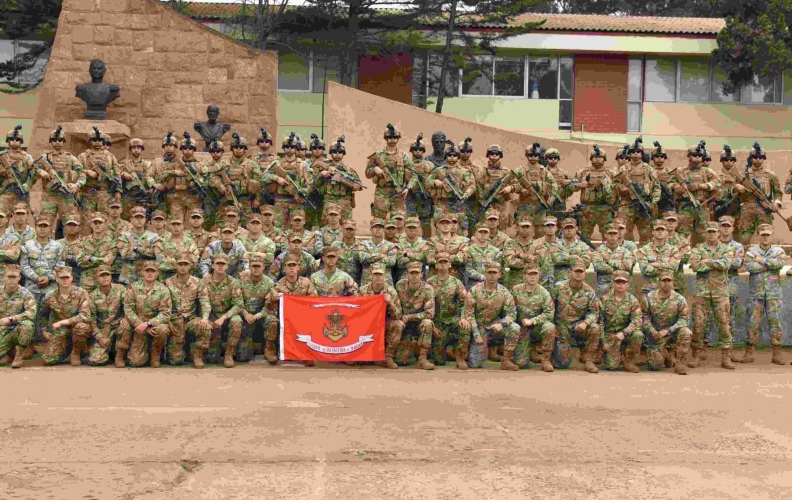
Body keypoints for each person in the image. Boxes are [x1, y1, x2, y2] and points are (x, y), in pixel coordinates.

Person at [688, 221, 736, 370]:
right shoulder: (698, 248)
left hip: (720, 293)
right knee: (699, 325)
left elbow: (726, 264)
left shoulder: (727, 248)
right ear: (705, 233)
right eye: (709, 231)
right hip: (702, 293)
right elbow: (695, 266)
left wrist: (708, 261)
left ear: (719, 233)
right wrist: (715, 263)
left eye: (714, 232)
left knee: (724, 325)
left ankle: (726, 357)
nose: (711, 234)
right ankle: (696, 355)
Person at [743, 224, 786, 365]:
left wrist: (761, 261)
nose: (766, 237)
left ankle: (777, 353)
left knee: (775, 323)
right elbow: (749, 267)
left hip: (773, 294)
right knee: (752, 323)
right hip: (757, 294)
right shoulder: (751, 251)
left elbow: (779, 264)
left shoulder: (778, 250)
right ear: (759, 235)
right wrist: (769, 265)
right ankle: (749, 353)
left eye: (768, 234)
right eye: (763, 235)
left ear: (772, 235)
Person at [116, 260, 172, 368]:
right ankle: (120, 354)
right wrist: (140, 324)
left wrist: (148, 324)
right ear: (142, 272)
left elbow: (165, 313)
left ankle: (155, 353)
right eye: (147, 271)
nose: (150, 273)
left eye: (153, 271)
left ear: (157, 273)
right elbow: (128, 309)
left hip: (153, 325)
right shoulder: (133, 288)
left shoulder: (163, 290)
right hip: (137, 326)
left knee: (163, 329)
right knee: (135, 362)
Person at [193, 253, 245, 368]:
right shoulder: (204, 281)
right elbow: (204, 300)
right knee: (212, 358)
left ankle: (229, 354)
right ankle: (199, 355)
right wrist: (205, 317)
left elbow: (238, 304)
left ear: (227, 266)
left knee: (237, 321)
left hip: (227, 314)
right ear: (212, 265)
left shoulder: (233, 282)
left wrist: (223, 317)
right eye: (218, 264)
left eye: (223, 264)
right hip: (211, 313)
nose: (220, 266)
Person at [465, 261, 519, 370]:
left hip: (496, 326)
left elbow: (512, 313)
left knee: (515, 328)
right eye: (489, 272)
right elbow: (469, 314)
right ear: (485, 273)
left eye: (494, 272)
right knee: (475, 364)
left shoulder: (504, 292)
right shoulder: (474, 290)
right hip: (480, 327)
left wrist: (502, 324)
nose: (492, 275)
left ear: (499, 275)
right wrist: (476, 334)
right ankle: (480, 350)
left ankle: (506, 361)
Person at [551, 256, 600, 373]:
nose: (578, 274)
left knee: (594, 328)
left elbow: (594, 312)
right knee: (562, 364)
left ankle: (588, 360)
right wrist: (554, 326)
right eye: (576, 271)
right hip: (561, 326)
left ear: (585, 274)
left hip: (578, 325)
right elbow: (550, 308)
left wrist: (586, 322)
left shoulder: (589, 291)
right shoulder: (558, 287)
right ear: (570, 272)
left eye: (581, 272)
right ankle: (554, 353)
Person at [32, 126, 85, 234]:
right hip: (49, 196)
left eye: (60, 140)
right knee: (44, 224)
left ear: (63, 142)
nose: (57, 142)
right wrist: (40, 172)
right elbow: (32, 168)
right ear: (51, 142)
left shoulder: (71, 158)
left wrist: (76, 185)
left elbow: (82, 174)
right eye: (54, 140)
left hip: (65, 198)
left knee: (71, 226)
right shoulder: (45, 157)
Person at [426, 251, 472, 369]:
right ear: (436, 265)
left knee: (465, 326)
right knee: (439, 361)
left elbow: (464, 303)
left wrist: (462, 318)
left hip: (452, 319)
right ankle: (445, 351)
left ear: (450, 265)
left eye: (445, 262)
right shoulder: (429, 283)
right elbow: (424, 305)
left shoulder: (456, 283)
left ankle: (460, 356)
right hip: (438, 322)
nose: (442, 265)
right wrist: (432, 325)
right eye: (440, 262)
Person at [730, 143, 782, 246]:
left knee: (766, 239)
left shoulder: (771, 175)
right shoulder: (743, 175)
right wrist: (737, 187)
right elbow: (731, 190)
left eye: (760, 157)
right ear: (751, 158)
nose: (758, 159)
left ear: (764, 159)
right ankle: (744, 260)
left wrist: (776, 203)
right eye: (755, 157)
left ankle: (765, 260)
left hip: (765, 210)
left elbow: (778, 193)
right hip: (747, 209)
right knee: (744, 239)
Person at [642, 269, 692, 374]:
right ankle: (666, 355)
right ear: (658, 282)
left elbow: (684, 319)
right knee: (655, 366)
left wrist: (668, 330)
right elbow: (643, 316)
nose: (666, 283)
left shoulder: (680, 299)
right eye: (664, 280)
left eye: (669, 281)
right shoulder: (649, 297)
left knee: (686, 332)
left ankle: (679, 363)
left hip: (672, 334)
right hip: (655, 335)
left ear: (673, 282)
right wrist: (651, 330)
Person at [39, 266, 92, 366]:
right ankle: (67, 349)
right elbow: (43, 314)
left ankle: (76, 352)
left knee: (82, 327)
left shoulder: (81, 293)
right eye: (62, 278)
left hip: (78, 329)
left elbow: (85, 315)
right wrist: (44, 330)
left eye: (67, 277)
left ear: (71, 277)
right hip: (61, 331)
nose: (65, 280)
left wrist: (61, 322)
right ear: (56, 279)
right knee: (48, 360)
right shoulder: (50, 296)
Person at [671, 141, 721, 245]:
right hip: (685, 206)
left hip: (702, 206)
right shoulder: (681, 170)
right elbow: (669, 182)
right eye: (695, 155)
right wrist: (676, 186)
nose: (697, 157)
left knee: (702, 234)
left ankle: (698, 257)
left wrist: (701, 186)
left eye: (700, 155)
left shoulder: (707, 171)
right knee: (682, 234)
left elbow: (718, 182)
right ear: (689, 156)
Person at [274, 254, 318, 367]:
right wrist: (273, 299)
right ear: (284, 269)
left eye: (294, 265)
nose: (292, 268)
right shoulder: (279, 285)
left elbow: (314, 298)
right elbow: (270, 303)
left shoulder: (306, 282)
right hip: (286, 317)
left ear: (298, 268)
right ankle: (283, 352)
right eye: (289, 266)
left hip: (304, 315)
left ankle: (307, 354)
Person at [613, 138, 659, 245]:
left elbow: (656, 187)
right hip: (627, 205)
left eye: (638, 152)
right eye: (633, 152)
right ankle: (629, 254)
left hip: (645, 205)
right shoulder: (623, 169)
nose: (635, 154)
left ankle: (644, 256)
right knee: (624, 232)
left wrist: (653, 203)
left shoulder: (649, 169)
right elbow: (614, 184)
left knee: (646, 234)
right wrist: (621, 188)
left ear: (642, 154)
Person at [511, 262, 556, 372]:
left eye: (535, 274)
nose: (532, 277)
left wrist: (533, 321)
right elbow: (509, 309)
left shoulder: (544, 293)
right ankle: (527, 351)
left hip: (537, 327)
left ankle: (545, 360)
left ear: (539, 276)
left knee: (549, 327)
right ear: (524, 276)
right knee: (521, 363)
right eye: (530, 274)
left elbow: (549, 313)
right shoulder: (516, 290)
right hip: (522, 329)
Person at [163, 251, 205, 367]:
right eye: (180, 264)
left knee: (204, 326)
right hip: (174, 320)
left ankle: (198, 356)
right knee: (176, 361)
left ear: (190, 265)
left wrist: (205, 318)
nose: (182, 267)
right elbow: (163, 304)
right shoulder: (168, 282)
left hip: (191, 318)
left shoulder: (198, 282)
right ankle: (172, 353)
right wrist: (167, 320)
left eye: (185, 264)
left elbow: (204, 301)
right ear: (175, 265)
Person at [359, 263, 403, 369]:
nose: (378, 277)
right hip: (367, 323)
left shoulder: (391, 291)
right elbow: (356, 313)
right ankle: (359, 354)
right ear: (371, 276)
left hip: (384, 323)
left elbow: (398, 315)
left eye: (380, 274)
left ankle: (388, 357)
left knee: (398, 324)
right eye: (375, 274)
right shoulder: (362, 291)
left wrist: (391, 303)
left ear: (385, 276)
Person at [366, 124, 415, 219]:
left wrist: (408, 188)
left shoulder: (404, 156)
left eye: (395, 137)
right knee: (378, 222)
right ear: (386, 138)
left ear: (398, 139)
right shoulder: (378, 155)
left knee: (398, 222)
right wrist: (374, 169)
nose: (392, 140)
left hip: (398, 193)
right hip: (382, 192)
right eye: (390, 137)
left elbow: (414, 175)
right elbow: (367, 174)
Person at [598, 270, 643, 372]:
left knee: (638, 334)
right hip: (611, 336)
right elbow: (600, 322)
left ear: (628, 285)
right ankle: (611, 355)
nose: (620, 285)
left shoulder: (633, 300)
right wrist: (603, 342)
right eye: (618, 282)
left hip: (626, 334)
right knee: (612, 367)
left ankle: (628, 361)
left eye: (623, 282)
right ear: (613, 283)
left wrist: (625, 332)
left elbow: (637, 320)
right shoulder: (604, 299)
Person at [395, 261, 437, 370]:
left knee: (428, 323)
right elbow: (396, 305)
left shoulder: (428, 289)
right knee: (401, 360)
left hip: (419, 323)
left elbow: (429, 313)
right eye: (411, 273)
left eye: (417, 273)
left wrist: (409, 317)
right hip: (404, 324)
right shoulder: (400, 285)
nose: (414, 276)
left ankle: (422, 359)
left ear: (422, 274)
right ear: (407, 274)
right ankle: (409, 349)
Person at [78, 126, 122, 230]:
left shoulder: (110, 157)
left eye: (100, 140)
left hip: (105, 193)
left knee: (105, 221)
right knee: (87, 222)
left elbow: (117, 174)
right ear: (90, 141)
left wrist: (118, 191)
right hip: (88, 193)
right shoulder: (83, 156)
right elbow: (76, 171)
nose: (97, 142)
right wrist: (87, 171)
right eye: (94, 140)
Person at [511, 142, 557, 238]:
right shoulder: (521, 170)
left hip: (540, 205)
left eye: (535, 155)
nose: (533, 157)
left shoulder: (543, 171)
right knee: (522, 231)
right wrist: (521, 189)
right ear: (527, 156)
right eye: (530, 155)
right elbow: (513, 181)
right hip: (525, 206)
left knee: (540, 232)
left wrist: (552, 197)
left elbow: (553, 184)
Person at [238, 254, 278, 363]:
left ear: (263, 267)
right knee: (243, 357)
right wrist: (245, 314)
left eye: (258, 266)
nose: (256, 268)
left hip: (260, 316)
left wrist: (260, 314)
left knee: (273, 321)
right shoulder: (241, 280)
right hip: (245, 315)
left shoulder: (269, 283)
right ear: (249, 267)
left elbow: (271, 305)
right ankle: (249, 346)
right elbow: (237, 300)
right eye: (253, 266)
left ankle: (268, 349)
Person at [267, 133, 312, 229]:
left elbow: (310, 184)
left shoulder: (303, 164)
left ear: (296, 148)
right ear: (283, 148)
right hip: (280, 200)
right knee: (279, 229)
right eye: (287, 146)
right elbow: (263, 177)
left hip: (296, 201)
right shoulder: (277, 163)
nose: (290, 149)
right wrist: (277, 178)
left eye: (292, 146)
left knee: (297, 230)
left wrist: (301, 192)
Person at [573, 144, 617, 241]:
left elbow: (617, 190)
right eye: (595, 157)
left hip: (605, 209)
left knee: (608, 236)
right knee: (585, 237)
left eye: (600, 157)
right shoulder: (582, 172)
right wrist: (580, 185)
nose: (597, 159)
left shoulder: (611, 173)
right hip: (587, 209)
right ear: (591, 158)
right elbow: (572, 188)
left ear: (604, 158)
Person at [86, 265, 125, 366]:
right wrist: (100, 338)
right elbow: (92, 321)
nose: (105, 278)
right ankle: (110, 351)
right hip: (103, 330)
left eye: (107, 275)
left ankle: (120, 354)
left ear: (111, 277)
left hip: (118, 329)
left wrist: (124, 320)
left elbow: (129, 309)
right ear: (96, 279)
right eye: (101, 276)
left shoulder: (121, 289)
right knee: (96, 360)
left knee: (125, 324)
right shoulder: (92, 296)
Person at [0, 264, 37, 368]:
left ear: (19, 278)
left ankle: (19, 354)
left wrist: (11, 319)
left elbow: (31, 313)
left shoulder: (25, 293)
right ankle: (8, 353)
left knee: (27, 325)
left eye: (14, 277)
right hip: (2, 330)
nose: (12, 280)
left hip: (17, 330)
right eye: (9, 277)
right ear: (3, 277)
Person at [473, 144, 515, 231]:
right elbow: (478, 186)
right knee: (484, 230)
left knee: (501, 230)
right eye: (492, 153)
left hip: (501, 205)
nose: (494, 155)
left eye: (497, 153)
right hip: (486, 205)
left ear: (500, 155)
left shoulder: (506, 172)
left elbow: (516, 184)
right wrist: (483, 199)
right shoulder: (483, 171)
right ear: (488, 155)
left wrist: (510, 188)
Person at [117, 206, 161, 285]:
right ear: (131, 220)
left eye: (141, 217)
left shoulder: (154, 236)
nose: (139, 220)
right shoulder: (124, 236)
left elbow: (155, 254)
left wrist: (136, 248)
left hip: (148, 277)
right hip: (129, 278)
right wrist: (146, 252)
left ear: (145, 220)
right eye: (136, 217)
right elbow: (126, 255)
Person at [592, 222, 636, 298]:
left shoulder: (626, 251)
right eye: (610, 233)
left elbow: (628, 266)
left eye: (615, 233)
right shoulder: (598, 251)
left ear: (618, 235)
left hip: (622, 286)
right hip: (604, 288)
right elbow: (598, 266)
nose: (612, 236)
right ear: (605, 235)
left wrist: (609, 261)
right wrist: (619, 269)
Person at [76, 211, 116, 293]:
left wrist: (90, 258)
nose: (97, 225)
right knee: (85, 304)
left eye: (100, 222)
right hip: (87, 281)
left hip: (104, 280)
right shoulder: (83, 241)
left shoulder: (111, 242)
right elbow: (80, 261)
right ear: (91, 224)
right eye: (95, 222)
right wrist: (101, 260)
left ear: (105, 224)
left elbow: (109, 261)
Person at [0, 125, 35, 216]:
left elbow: (32, 173)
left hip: (21, 193)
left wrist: (26, 186)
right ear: (8, 141)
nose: (14, 141)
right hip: (5, 193)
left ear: (21, 142)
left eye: (17, 139)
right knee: (1, 218)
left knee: (21, 220)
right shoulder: (2, 156)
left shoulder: (27, 157)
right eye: (12, 139)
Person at [356, 218, 398, 286]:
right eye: (375, 227)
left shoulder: (390, 245)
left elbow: (392, 261)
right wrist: (381, 255)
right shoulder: (363, 244)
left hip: (385, 282)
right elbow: (362, 258)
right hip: (367, 282)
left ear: (383, 229)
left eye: (380, 227)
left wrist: (370, 258)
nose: (378, 229)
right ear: (371, 229)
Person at [118, 138, 152, 220]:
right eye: (134, 148)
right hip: (128, 196)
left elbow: (152, 178)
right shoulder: (124, 164)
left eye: (138, 148)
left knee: (142, 220)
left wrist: (151, 189)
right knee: (126, 219)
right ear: (130, 150)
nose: (136, 150)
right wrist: (123, 174)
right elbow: (115, 176)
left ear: (142, 150)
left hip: (142, 196)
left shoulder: (148, 165)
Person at [553, 218, 592, 285]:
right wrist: (575, 258)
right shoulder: (555, 245)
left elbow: (586, 262)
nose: (569, 230)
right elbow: (556, 259)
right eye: (566, 228)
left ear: (576, 229)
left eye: (571, 228)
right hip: (560, 283)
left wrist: (565, 257)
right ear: (562, 230)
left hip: (578, 283)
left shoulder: (583, 246)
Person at [464, 225, 501, 290]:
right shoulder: (469, 250)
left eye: (485, 232)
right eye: (481, 232)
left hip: (491, 284)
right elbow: (468, 269)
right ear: (476, 233)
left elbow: (498, 269)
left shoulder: (495, 251)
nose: (483, 235)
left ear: (489, 234)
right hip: (474, 284)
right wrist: (481, 277)